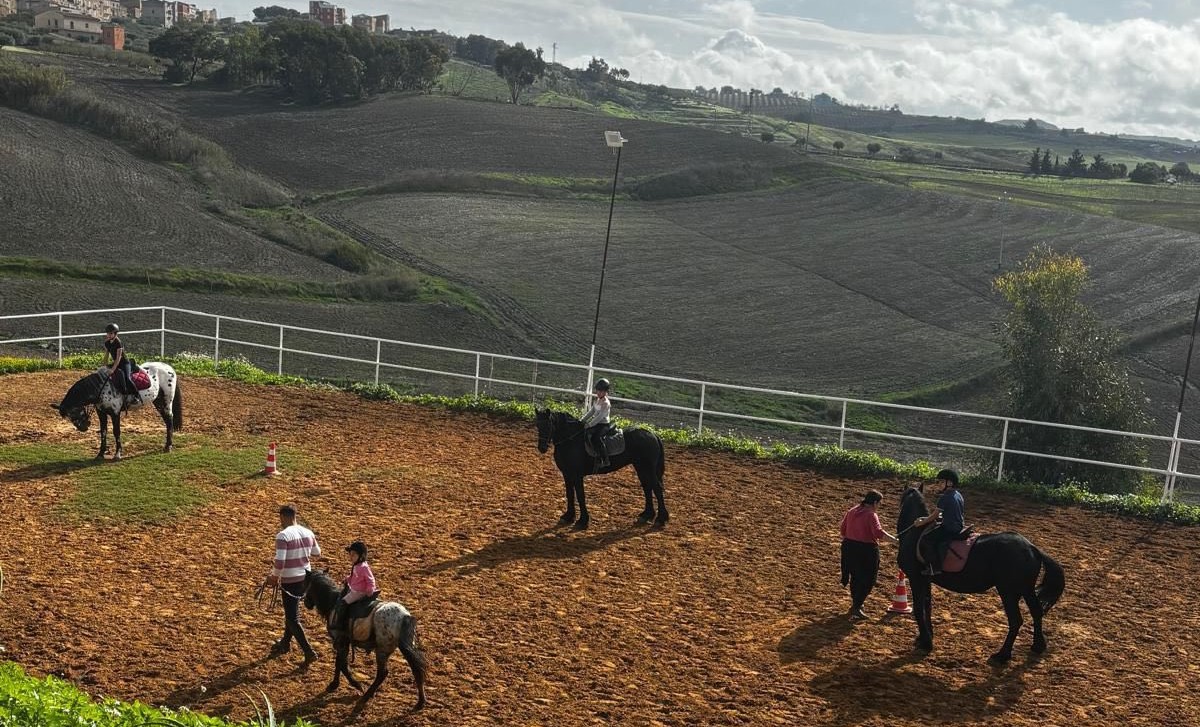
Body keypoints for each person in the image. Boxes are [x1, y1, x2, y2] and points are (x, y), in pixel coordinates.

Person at [266, 504, 321, 668]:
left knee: (292, 618)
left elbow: (280, 561)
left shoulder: (283, 536)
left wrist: (274, 576)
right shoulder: (308, 532)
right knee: (291, 612)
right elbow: (317, 553)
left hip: (290, 580)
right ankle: (285, 643)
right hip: (306, 579)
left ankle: (308, 651)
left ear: (284, 516)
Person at [839, 489, 898, 620]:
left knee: (855, 576)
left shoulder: (852, 511)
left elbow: (842, 530)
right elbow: (878, 533)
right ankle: (857, 606)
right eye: (879, 504)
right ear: (875, 502)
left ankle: (856, 603)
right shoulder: (871, 515)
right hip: (866, 551)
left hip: (848, 547)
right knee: (868, 579)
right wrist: (895, 540)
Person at [914, 468, 964, 576]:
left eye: (942, 482)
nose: (939, 484)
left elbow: (934, 515)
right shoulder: (958, 495)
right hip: (959, 525)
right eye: (939, 482)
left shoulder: (945, 498)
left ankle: (934, 567)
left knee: (927, 539)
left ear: (950, 483)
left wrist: (921, 523)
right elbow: (951, 512)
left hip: (949, 528)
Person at [333, 540, 378, 636]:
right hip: (354, 589)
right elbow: (354, 577)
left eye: (353, 555)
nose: (351, 557)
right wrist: (347, 579)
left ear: (361, 556)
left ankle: (340, 624)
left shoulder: (364, 567)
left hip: (359, 592)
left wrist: (370, 590)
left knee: (343, 602)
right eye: (350, 554)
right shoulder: (357, 565)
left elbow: (371, 580)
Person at [579, 378, 613, 467]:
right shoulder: (597, 400)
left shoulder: (606, 403)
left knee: (597, 438)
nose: (598, 392)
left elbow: (600, 417)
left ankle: (604, 459)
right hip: (597, 424)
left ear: (606, 392)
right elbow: (592, 412)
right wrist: (582, 420)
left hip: (604, 425)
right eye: (598, 390)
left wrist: (589, 424)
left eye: (601, 391)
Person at [102, 323, 137, 403]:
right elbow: (106, 355)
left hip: (124, 363)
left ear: (115, 334)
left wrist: (112, 369)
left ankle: (136, 395)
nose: (109, 335)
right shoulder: (107, 343)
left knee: (127, 378)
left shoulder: (119, 343)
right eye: (108, 333)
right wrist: (104, 365)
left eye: (111, 333)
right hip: (116, 362)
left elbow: (118, 358)